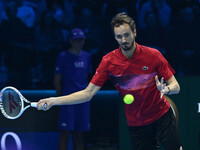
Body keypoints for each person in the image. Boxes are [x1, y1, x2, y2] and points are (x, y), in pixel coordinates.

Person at [38, 12, 182, 150]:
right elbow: (88, 93)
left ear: (135, 32)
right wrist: (53, 100)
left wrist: (166, 89)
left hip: (161, 115)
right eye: (119, 37)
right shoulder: (108, 62)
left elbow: (176, 86)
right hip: (136, 123)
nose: (124, 40)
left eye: (126, 35)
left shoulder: (154, 55)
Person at [54, 28, 92, 150]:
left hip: (83, 101)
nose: (79, 43)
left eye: (81, 40)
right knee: (65, 133)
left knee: (79, 135)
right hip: (68, 100)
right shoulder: (63, 56)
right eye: (76, 40)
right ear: (70, 41)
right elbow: (57, 79)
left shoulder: (87, 56)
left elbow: (86, 77)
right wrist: (60, 99)